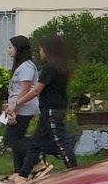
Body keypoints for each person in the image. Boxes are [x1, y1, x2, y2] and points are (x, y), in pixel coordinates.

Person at [25, 35, 78, 173]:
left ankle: (74, 173)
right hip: (51, 109)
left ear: (48, 50)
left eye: (41, 49)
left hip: (51, 109)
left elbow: (37, 89)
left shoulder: (50, 68)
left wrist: (17, 103)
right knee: (35, 143)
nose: (40, 52)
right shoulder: (60, 67)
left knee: (61, 143)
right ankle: (23, 174)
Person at [0, 36, 40, 184]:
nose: (8, 50)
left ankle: (38, 162)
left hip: (24, 108)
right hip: (16, 107)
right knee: (16, 138)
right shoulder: (21, 66)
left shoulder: (27, 66)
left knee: (10, 139)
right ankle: (19, 171)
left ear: (18, 48)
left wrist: (14, 107)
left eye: (10, 47)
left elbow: (25, 89)